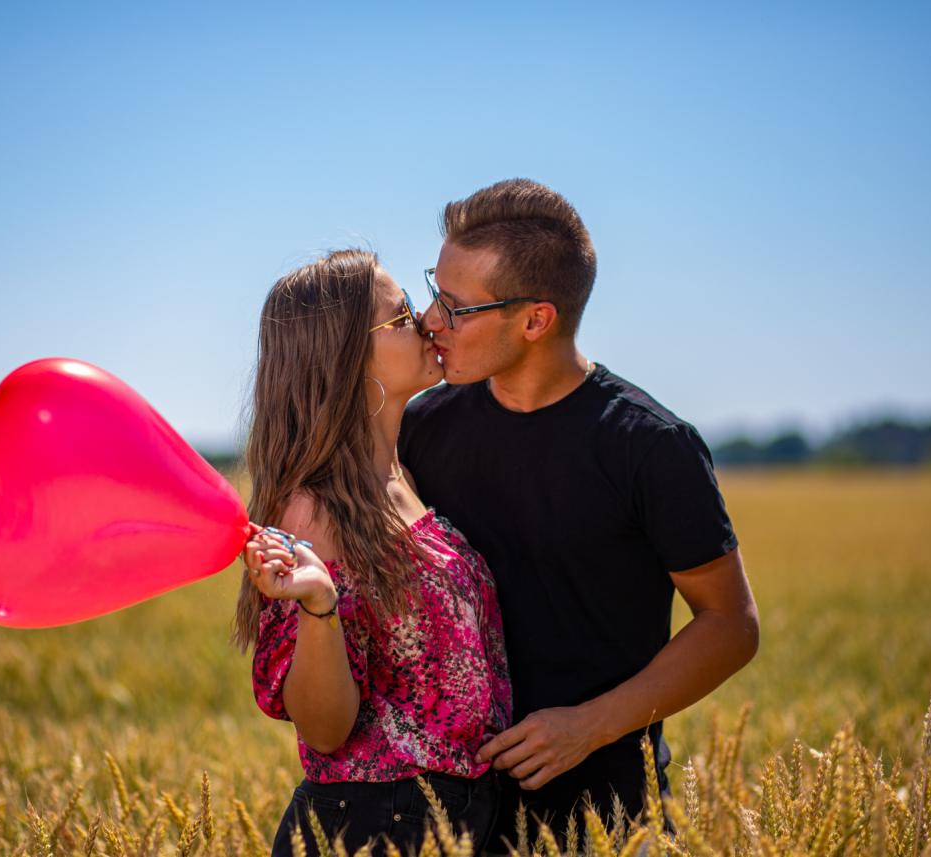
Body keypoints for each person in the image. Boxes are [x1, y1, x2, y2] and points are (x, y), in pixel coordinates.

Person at [398, 178, 761, 853]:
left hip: (610, 815)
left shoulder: (651, 446)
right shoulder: (419, 429)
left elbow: (732, 624)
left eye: (456, 306)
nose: (429, 319)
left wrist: (589, 726)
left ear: (535, 320)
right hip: (446, 812)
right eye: (432, 292)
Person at [230, 248, 514, 857]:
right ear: (344, 355)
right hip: (376, 824)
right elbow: (326, 730)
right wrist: (319, 608)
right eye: (403, 315)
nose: (430, 321)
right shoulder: (311, 509)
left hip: (449, 817)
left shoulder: (401, 475)